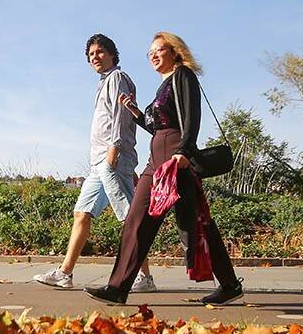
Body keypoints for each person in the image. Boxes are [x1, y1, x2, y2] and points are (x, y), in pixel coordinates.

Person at [85, 32, 243, 306]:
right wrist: (136, 113)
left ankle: (229, 285)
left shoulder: (183, 76)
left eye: (159, 50)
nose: (153, 55)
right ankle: (118, 287)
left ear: (175, 51)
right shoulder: (164, 85)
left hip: (174, 158)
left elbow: (191, 118)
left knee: (197, 223)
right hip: (156, 158)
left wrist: (184, 152)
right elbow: (157, 126)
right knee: (138, 218)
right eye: (150, 53)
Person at [33, 34, 156, 291]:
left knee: (129, 218)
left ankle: (144, 278)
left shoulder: (117, 79)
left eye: (99, 52)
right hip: (99, 163)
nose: (95, 58)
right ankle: (65, 273)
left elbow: (121, 115)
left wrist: (115, 149)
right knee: (82, 213)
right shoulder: (105, 82)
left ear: (112, 53)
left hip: (113, 159)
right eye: (90, 56)